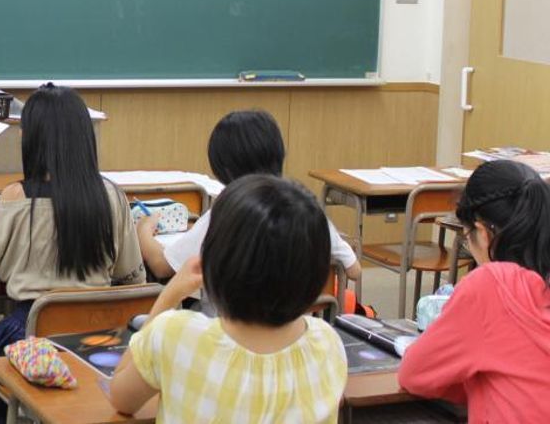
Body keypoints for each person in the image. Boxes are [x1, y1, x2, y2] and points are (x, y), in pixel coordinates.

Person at [0, 84, 146, 424]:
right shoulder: (112, 196)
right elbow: (132, 276)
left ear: (31, 138)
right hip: (99, 336)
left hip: (29, 331)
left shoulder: (16, 197)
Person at [110, 174, 348, 422]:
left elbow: (121, 398)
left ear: (216, 259)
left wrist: (169, 294)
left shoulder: (175, 334)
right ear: (316, 272)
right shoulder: (328, 343)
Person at [398, 159, 550, 421]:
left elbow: (414, 375)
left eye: (466, 237)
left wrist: (474, 379)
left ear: (482, 233)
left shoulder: (490, 285)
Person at [138, 109, 361, 284]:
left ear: (222, 166)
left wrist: (143, 232)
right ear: (279, 152)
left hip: (227, 330)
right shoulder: (306, 208)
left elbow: (162, 266)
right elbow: (354, 271)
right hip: (292, 327)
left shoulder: (228, 213)